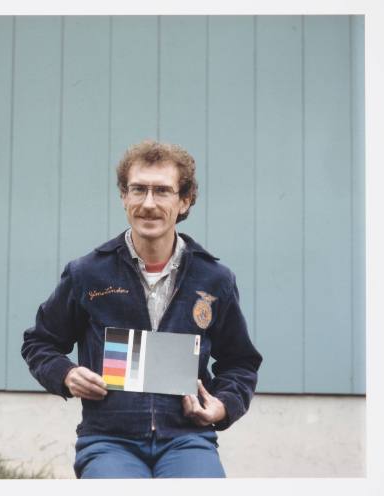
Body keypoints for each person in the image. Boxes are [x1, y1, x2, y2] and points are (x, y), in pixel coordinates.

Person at [21, 140, 262, 478]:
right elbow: (39, 344)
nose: (148, 204)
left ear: (185, 200)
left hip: (187, 440)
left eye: (162, 191)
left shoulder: (214, 279)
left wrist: (223, 406)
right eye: (138, 190)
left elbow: (240, 362)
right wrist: (66, 374)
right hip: (108, 441)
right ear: (124, 196)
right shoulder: (87, 273)